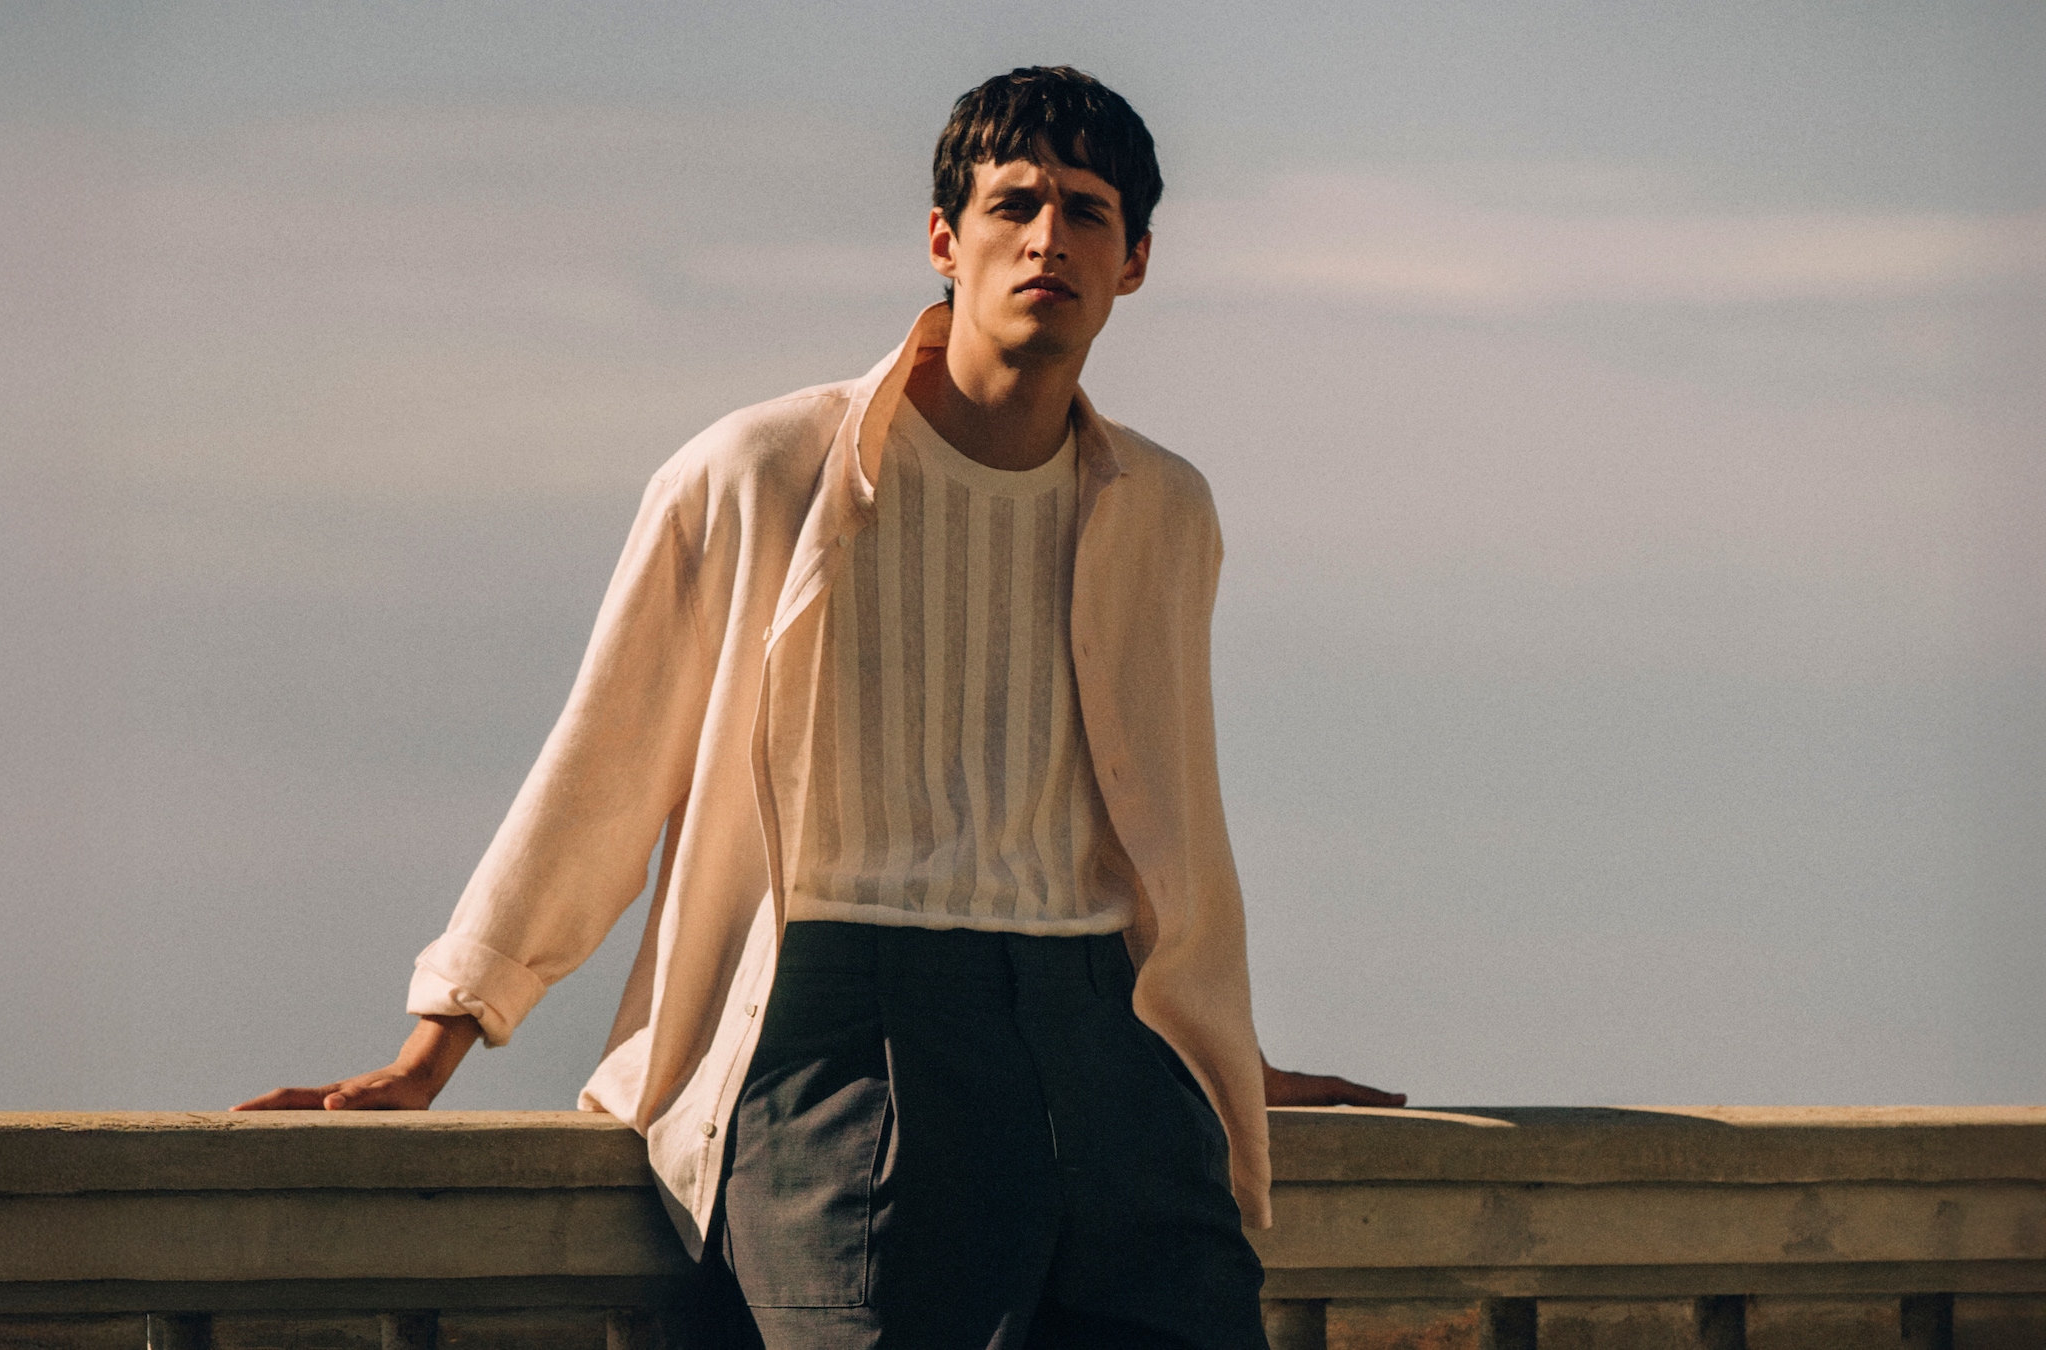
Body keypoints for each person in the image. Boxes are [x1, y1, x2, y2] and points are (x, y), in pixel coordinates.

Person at [238, 65, 1403, 1349]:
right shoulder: (760, 473)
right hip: (850, 1032)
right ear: (945, 242)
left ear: (1133, 263)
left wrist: (1209, 1044)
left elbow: (1165, 814)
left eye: (1088, 211)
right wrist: (435, 1048)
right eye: (1015, 203)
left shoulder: (1163, 507)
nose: (1050, 238)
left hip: (1115, 1057)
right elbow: (605, 768)